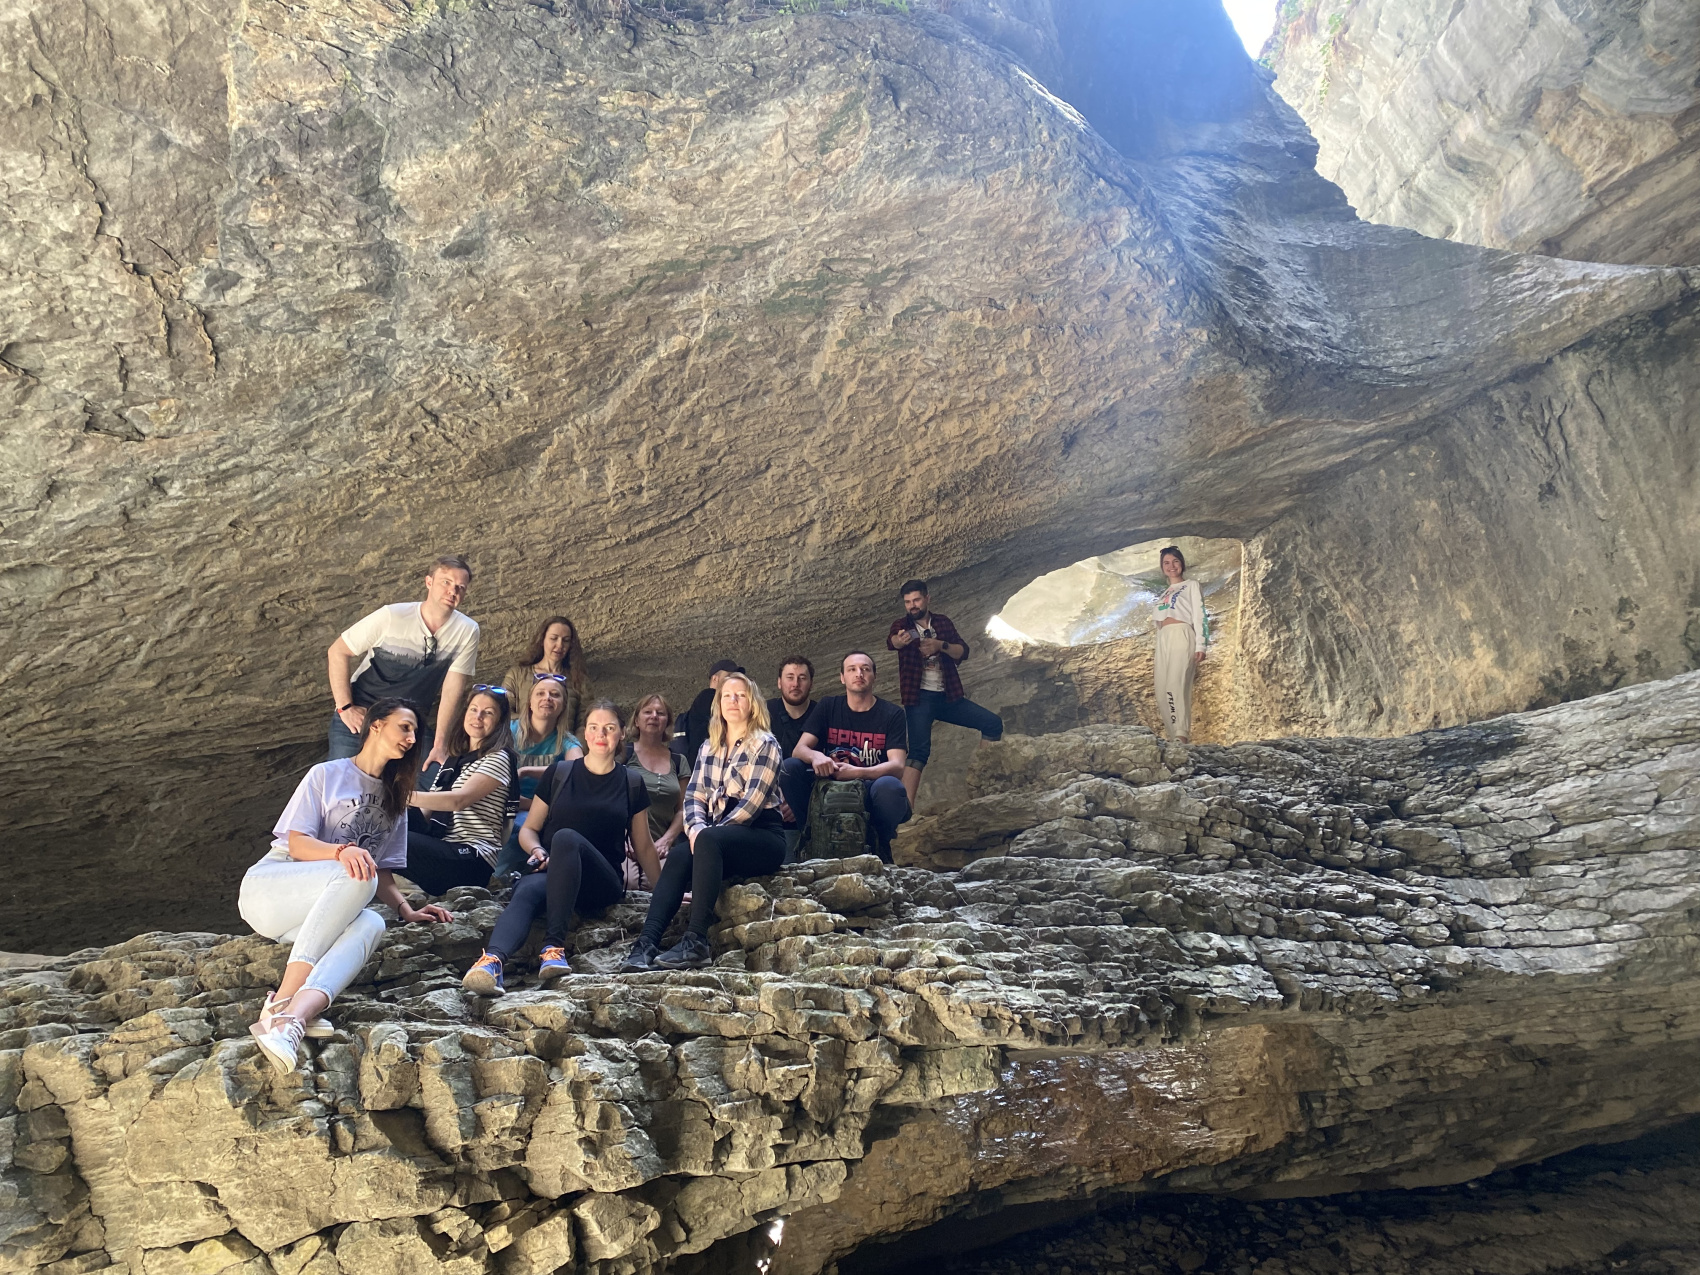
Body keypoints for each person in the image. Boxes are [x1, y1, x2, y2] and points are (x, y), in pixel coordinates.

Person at [240, 699, 453, 1073]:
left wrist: (406, 910)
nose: (411, 738)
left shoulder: (395, 799)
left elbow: (380, 871)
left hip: (313, 916)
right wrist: (341, 851)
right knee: (357, 872)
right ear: (376, 725)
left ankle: (296, 1016)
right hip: (271, 890)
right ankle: (282, 1003)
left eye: (415, 733)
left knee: (373, 922)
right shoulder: (327, 774)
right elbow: (297, 843)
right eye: (404, 727)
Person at [462, 701, 661, 995]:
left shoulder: (631, 782)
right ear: (585, 734)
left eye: (609, 728)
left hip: (600, 881)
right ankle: (491, 962)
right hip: (553, 871)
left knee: (566, 838)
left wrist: (664, 892)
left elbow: (643, 845)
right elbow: (529, 829)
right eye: (594, 727)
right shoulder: (560, 773)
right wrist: (538, 851)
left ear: (622, 733)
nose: (601, 734)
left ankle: (553, 947)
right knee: (527, 890)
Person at [624, 672, 785, 972]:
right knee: (680, 854)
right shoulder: (708, 747)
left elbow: (751, 804)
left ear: (752, 704)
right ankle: (645, 943)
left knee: (707, 841)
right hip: (715, 836)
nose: (733, 701)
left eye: (741, 695)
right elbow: (694, 797)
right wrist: (696, 830)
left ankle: (696, 942)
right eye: (727, 696)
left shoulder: (765, 744)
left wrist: (707, 837)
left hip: (761, 835)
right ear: (718, 704)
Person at [327, 555, 479, 767]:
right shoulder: (392, 616)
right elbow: (338, 651)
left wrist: (440, 744)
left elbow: (452, 689)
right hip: (365, 712)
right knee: (341, 777)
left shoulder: (467, 630)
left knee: (435, 776)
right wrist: (345, 708)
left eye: (460, 587)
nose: (452, 591)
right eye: (446, 582)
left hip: (411, 722)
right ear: (429, 582)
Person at [778, 651, 911, 862]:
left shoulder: (892, 713)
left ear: (874, 676)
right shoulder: (828, 706)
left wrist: (857, 772)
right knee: (790, 767)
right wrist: (816, 757)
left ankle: (880, 843)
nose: (859, 673)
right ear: (842, 677)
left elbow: (897, 766)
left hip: (869, 786)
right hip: (828, 786)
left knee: (890, 788)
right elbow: (799, 749)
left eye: (865, 669)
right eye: (852, 669)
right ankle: (810, 837)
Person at [886, 578, 1003, 806]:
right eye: (908, 602)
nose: (912, 606)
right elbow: (892, 642)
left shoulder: (942, 622)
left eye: (916, 600)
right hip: (919, 698)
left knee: (992, 724)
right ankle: (903, 810)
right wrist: (900, 640)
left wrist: (941, 646)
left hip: (948, 696)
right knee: (918, 752)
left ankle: (984, 785)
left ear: (927, 599)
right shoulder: (902, 625)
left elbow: (963, 651)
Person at [403, 686, 515, 895]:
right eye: (473, 709)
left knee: (393, 839)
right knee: (377, 826)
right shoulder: (454, 761)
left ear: (500, 721)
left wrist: (402, 796)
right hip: (443, 847)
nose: (478, 717)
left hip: (471, 858)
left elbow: (459, 800)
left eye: (488, 712)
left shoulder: (499, 757)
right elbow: (425, 813)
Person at [626, 694, 691, 869]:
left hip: (663, 848)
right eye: (648, 712)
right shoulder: (623, 755)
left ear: (667, 722)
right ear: (636, 721)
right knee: (629, 881)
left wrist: (666, 841)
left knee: (663, 879)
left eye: (660, 713)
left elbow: (683, 809)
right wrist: (623, 839)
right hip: (626, 847)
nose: (654, 716)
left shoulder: (679, 761)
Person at [1153, 545, 1209, 744]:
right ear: (1162, 567)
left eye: (1175, 561)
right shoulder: (1163, 594)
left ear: (1182, 564)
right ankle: (1173, 737)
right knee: (1161, 692)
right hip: (1163, 639)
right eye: (1166, 563)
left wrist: (1201, 645)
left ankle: (1181, 735)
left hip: (1182, 634)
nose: (1171, 566)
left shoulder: (1191, 585)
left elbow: (1200, 615)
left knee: (1174, 685)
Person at [504, 615, 589, 738]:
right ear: (542, 640)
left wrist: (575, 746)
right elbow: (504, 711)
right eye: (554, 638)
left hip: (564, 746)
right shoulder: (517, 674)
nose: (559, 645)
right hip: (522, 742)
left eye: (566, 640)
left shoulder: (579, 678)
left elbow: (586, 721)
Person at [766, 656, 817, 862]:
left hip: (809, 807)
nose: (795, 684)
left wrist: (798, 802)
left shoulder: (821, 714)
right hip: (771, 805)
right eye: (790, 677)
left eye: (802, 678)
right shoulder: (764, 714)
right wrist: (777, 798)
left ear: (811, 683)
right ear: (779, 682)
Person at [673, 659, 743, 764]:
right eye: (729, 676)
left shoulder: (705, 699)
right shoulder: (709, 696)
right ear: (715, 678)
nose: (733, 681)